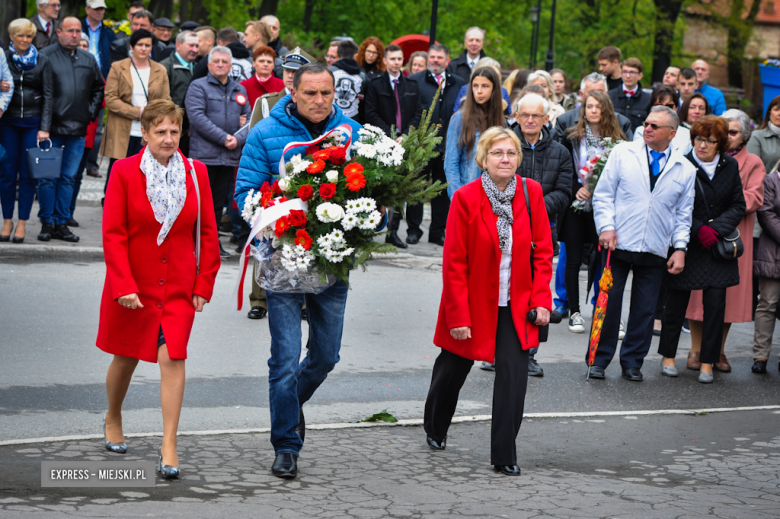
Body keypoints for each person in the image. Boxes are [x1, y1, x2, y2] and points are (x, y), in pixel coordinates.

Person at [235, 62, 366, 479]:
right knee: (285, 360)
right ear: (292, 91)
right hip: (283, 263)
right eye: (310, 93)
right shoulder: (265, 134)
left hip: (333, 263)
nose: (318, 101)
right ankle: (286, 445)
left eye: (325, 93)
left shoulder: (353, 133)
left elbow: (379, 195)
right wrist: (277, 213)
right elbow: (244, 194)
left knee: (327, 356)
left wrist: (373, 218)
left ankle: (289, 405)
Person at [98, 98, 220, 480]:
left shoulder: (196, 172)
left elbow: (209, 234)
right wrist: (123, 284)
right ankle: (113, 416)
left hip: (180, 285)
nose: (168, 139)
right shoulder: (123, 171)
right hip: (133, 284)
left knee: (173, 359)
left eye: (174, 131)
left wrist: (204, 283)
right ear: (146, 133)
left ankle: (169, 443)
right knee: (126, 357)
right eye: (160, 132)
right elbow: (113, 234)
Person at [424, 126, 552, 476]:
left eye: (511, 153)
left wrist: (542, 299)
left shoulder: (531, 193)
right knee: (452, 370)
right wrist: (458, 317)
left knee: (513, 376)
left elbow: (542, 252)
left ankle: (504, 453)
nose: (505, 159)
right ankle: (435, 424)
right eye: (497, 153)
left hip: (516, 303)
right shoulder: (465, 197)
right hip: (472, 302)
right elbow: (454, 263)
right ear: (484, 158)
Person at [590, 106, 696, 381]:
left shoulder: (685, 168)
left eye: (655, 126)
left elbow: (684, 214)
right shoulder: (623, 153)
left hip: (655, 246)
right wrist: (607, 227)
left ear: (672, 134)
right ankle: (598, 359)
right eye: (646, 123)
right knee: (608, 304)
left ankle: (633, 362)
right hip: (618, 242)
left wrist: (680, 248)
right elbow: (603, 195)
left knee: (646, 309)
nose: (647, 128)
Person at [659, 116, 746, 383]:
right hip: (686, 244)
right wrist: (699, 229)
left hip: (717, 247)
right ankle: (668, 356)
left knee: (715, 305)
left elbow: (738, 205)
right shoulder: (681, 163)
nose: (702, 145)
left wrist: (715, 229)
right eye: (698, 138)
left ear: (720, 144)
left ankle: (707, 361)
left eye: (710, 141)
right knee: (675, 303)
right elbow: (672, 205)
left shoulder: (729, 166)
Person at [682, 110, 764, 372]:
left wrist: (725, 213)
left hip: (734, 235)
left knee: (726, 296)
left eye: (733, 132)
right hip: (701, 233)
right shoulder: (700, 157)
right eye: (725, 131)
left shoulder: (752, 162)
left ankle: (718, 350)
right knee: (697, 295)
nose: (727, 136)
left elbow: (754, 197)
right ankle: (696, 349)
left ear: (744, 136)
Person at [243, 47, 312, 322]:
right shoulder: (265, 103)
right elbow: (253, 143)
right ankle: (260, 298)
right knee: (266, 241)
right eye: (287, 71)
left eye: (296, 72)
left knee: (305, 242)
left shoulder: (312, 101)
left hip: (305, 180)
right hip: (272, 181)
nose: (290, 76)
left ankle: (305, 299)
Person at [512, 93, 573, 375]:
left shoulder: (560, 151)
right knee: (504, 292)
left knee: (536, 295)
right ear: (517, 116)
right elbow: (489, 180)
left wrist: (534, 207)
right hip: (506, 230)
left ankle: (528, 353)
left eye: (536, 115)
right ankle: (496, 352)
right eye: (525, 114)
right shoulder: (505, 145)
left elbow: (564, 193)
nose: (530, 120)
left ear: (546, 119)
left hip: (543, 232)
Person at [560, 91, 626, 334]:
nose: (593, 110)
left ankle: (606, 309)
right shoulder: (573, 138)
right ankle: (575, 311)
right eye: (589, 106)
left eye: (598, 106)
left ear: (606, 109)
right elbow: (564, 169)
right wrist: (577, 189)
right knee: (574, 259)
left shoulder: (618, 140)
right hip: (577, 204)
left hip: (605, 207)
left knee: (603, 261)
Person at [39, 17, 104, 243]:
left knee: (68, 178)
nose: (75, 35)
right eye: (70, 31)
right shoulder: (45, 55)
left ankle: (62, 222)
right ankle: (47, 222)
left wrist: (90, 113)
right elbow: (38, 89)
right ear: (59, 32)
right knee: (47, 178)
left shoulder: (88, 58)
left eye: (78, 31)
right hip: (50, 129)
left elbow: (99, 87)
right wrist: (42, 124)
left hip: (78, 129)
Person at [185, 46, 250, 258]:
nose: (221, 64)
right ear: (210, 65)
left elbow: (249, 119)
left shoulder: (239, 90)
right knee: (199, 203)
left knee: (217, 204)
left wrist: (238, 139)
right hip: (204, 156)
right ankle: (194, 243)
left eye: (225, 61)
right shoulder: (198, 87)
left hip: (228, 158)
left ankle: (211, 244)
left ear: (231, 66)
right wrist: (225, 138)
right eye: (216, 61)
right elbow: (197, 118)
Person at [364, 43, 423, 247]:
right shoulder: (374, 84)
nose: (396, 62)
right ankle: (370, 228)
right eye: (393, 59)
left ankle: (393, 231)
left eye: (400, 59)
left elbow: (417, 113)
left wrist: (405, 135)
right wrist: (389, 135)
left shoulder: (411, 86)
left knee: (400, 188)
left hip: (404, 142)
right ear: (386, 60)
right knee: (377, 186)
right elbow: (370, 112)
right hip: (381, 142)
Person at [101, 29, 171, 196]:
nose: (143, 48)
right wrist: (138, 112)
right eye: (140, 44)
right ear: (131, 46)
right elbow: (110, 98)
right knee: (118, 170)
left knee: (143, 172)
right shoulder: (118, 67)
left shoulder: (160, 70)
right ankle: (111, 204)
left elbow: (166, 100)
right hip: (121, 128)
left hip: (148, 131)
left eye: (147, 45)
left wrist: (151, 114)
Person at [0, 19, 52, 244]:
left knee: (29, 174)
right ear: (11, 36)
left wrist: (45, 127)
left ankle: (22, 222)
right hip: (8, 122)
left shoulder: (42, 60)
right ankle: (7, 220)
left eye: (28, 36)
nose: (24, 40)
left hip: (33, 123)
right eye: (19, 35)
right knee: (7, 173)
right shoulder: (4, 58)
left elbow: (49, 96)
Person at [409, 43, 466, 246]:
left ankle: (437, 231)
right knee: (416, 189)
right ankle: (413, 230)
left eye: (440, 58)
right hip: (421, 145)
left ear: (447, 61)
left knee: (441, 191)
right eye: (432, 57)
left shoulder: (458, 83)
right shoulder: (414, 81)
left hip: (447, 145)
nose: (435, 61)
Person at [444, 67, 506, 199]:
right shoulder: (460, 118)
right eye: (475, 86)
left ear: (494, 89)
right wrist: (458, 198)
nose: (479, 91)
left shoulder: (501, 121)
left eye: (485, 86)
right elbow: (450, 164)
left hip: (494, 196)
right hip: (468, 192)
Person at [752, 165, 780, 374]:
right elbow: (765, 213)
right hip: (772, 252)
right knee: (767, 303)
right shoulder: (771, 181)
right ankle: (760, 356)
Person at [553, 73, 633, 143]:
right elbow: (559, 154)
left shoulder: (622, 122)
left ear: (607, 94)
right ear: (581, 94)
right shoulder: (565, 121)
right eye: (591, 93)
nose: (596, 96)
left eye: (600, 92)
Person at [633, 86, 691, 155]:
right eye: (659, 106)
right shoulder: (640, 132)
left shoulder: (687, 134)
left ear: (676, 108)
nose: (664, 110)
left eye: (669, 106)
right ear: (652, 108)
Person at [607, 57, 651, 132]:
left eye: (632, 72)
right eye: (625, 72)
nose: (628, 76)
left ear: (640, 75)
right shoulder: (609, 96)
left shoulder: (648, 99)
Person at [330, 39, 364, 120]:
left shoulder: (327, 72)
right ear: (356, 56)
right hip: (354, 124)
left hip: (329, 122)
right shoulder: (364, 77)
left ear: (338, 55)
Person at [82, 0, 116, 80]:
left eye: (102, 9)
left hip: (103, 78)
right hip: (81, 75)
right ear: (87, 9)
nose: (100, 12)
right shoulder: (77, 30)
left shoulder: (109, 33)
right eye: (96, 9)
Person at [747, 96, 780, 175]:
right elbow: (751, 169)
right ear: (769, 112)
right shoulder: (757, 136)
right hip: (766, 186)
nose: (779, 113)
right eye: (776, 109)